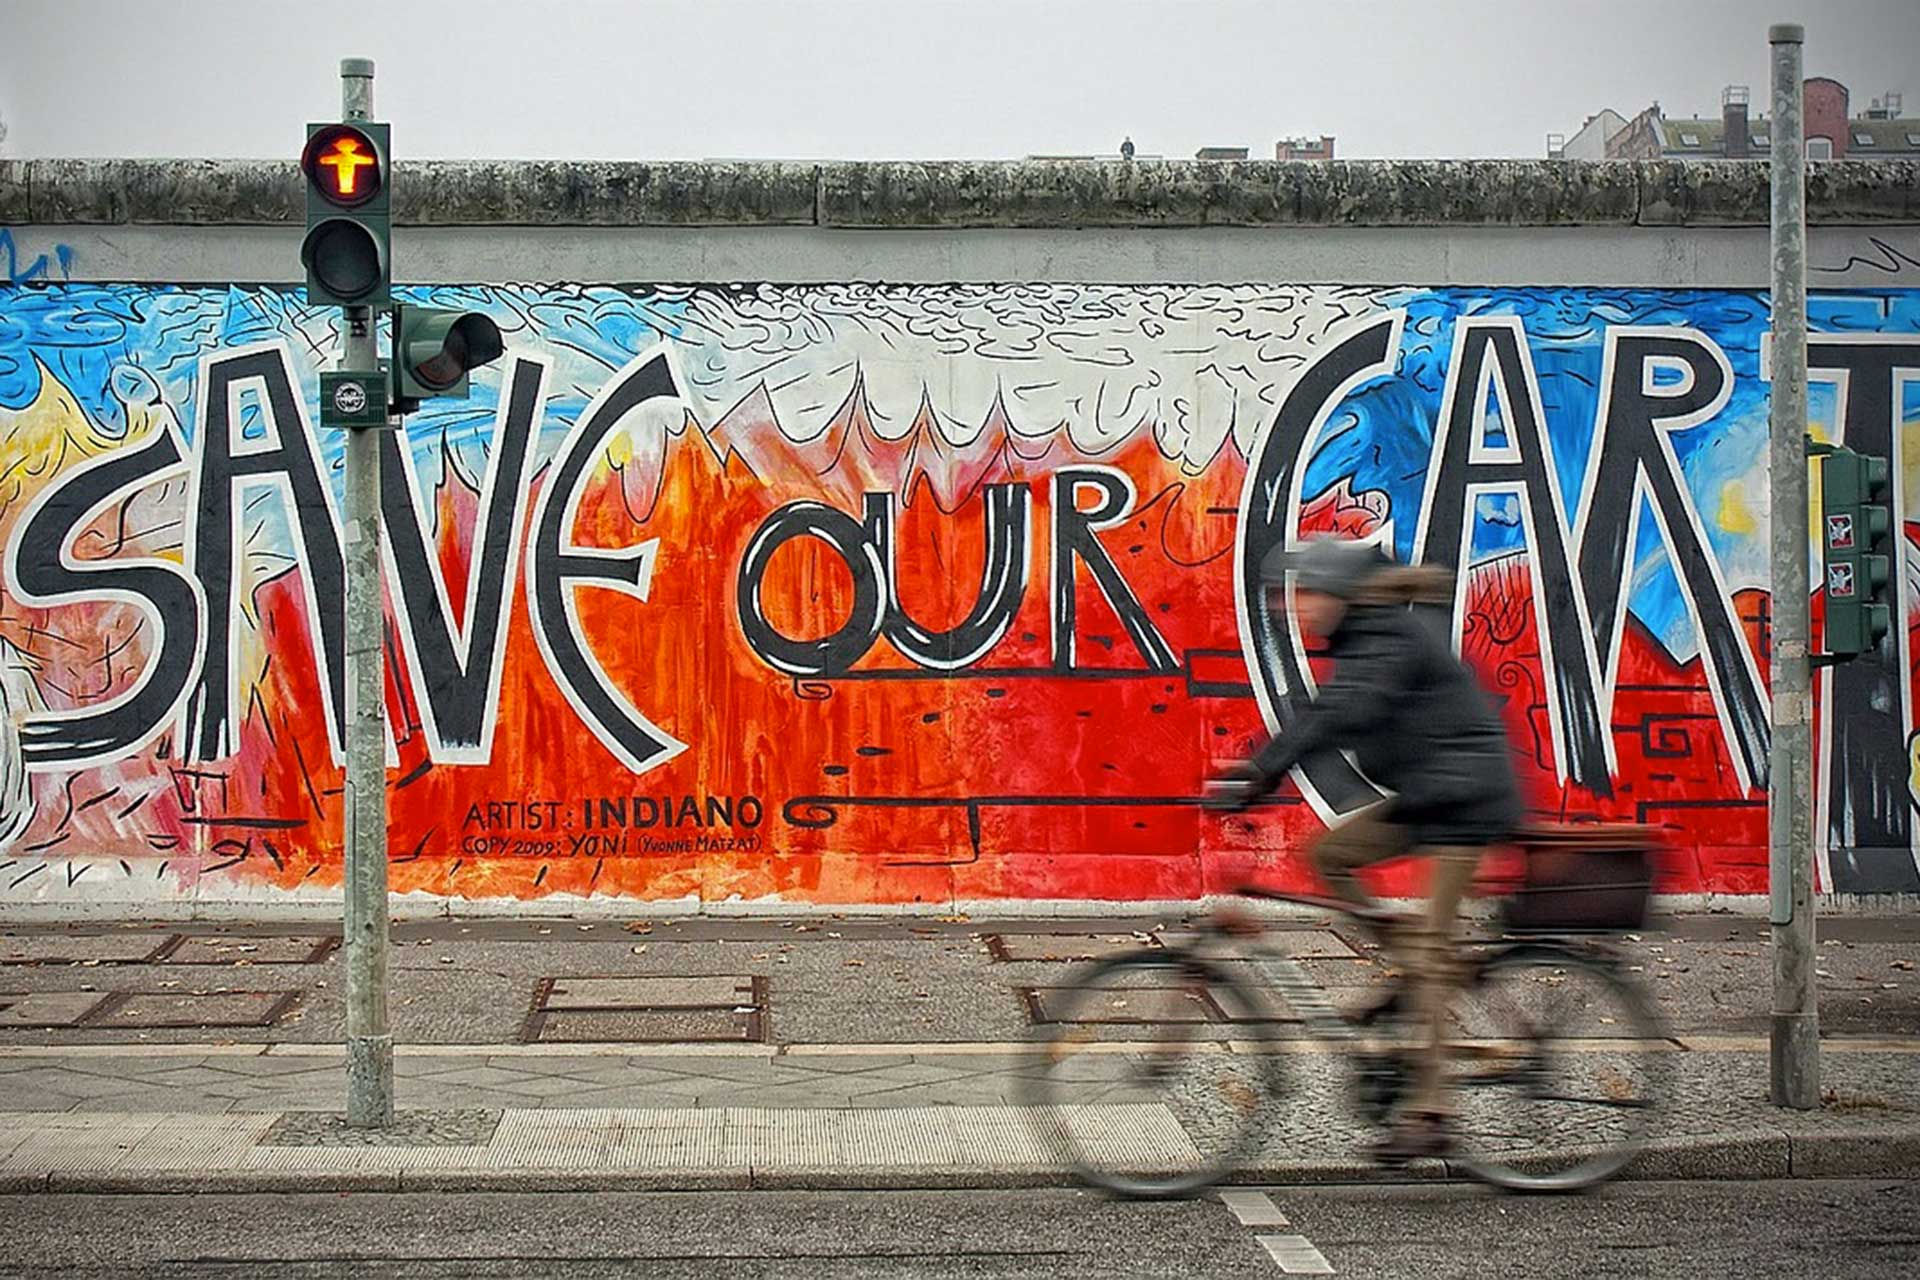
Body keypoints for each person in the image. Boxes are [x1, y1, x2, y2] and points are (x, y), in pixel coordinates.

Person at [1205, 536, 1524, 1162]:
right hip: (1430, 793)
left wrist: (1260, 774)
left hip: (1464, 801)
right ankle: (1415, 965)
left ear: (1341, 594)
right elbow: (1329, 712)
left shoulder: (1387, 639)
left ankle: (1429, 1111)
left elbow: (1340, 715)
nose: (1295, 610)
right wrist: (1260, 773)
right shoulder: (1366, 639)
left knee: (1430, 958)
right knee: (1329, 856)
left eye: (1307, 596)